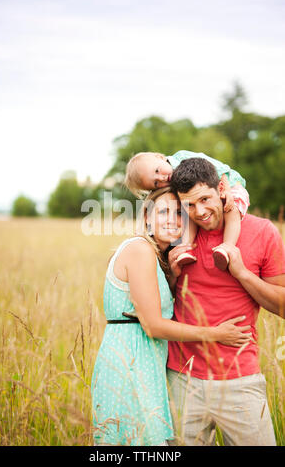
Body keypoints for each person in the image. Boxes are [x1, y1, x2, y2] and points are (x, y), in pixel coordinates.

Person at [91, 187, 251, 446]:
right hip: (130, 363)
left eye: (180, 213)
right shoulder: (140, 249)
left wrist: (173, 277)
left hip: (145, 364)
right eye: (163, 211)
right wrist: (215, 334)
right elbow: (153, 325)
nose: (172, 219)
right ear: (146, 217)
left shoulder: (154, 256)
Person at [167, 157, 285, 446]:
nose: (200, 212)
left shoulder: (263, 231)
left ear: (222, 187)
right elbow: (150, 301)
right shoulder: (173, 235)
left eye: (205, 199)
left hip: (240, 380)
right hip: (181, 379)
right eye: (189, 205)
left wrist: (242, 273)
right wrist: (171, 274)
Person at [125, 150, 250, 270]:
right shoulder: (171, 185)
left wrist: (227, 190)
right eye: (156, 183)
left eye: (157, 170)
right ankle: (185, 249)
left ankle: (228, 246)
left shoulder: (182, 157)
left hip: (230, 182)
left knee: (232, 209)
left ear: (160, 157)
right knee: (189, 215)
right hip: (205, 193)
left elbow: (220, 169)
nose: (162, 178)